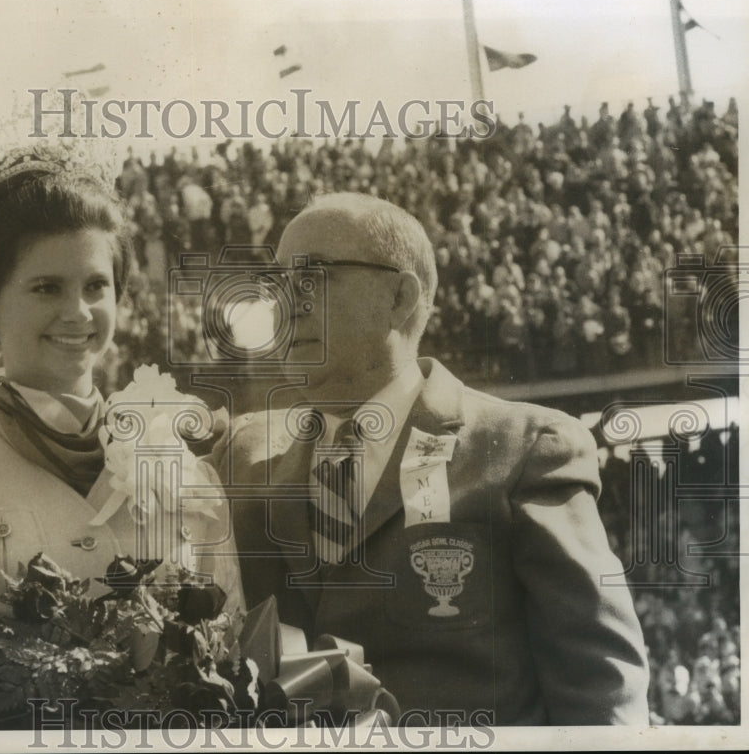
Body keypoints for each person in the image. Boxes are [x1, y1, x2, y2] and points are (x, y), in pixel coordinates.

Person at [214, 192, 649, 725]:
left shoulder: (524, 447)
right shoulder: (240, 453)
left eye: (312, 277)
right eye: (276, 282)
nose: (284, 302)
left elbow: (601, 688)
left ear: (400, 296)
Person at [0, 146, 242, 639]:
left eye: (95, 286)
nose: (79, 312)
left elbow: (235, 657)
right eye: (46, 287)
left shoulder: (187, 471)